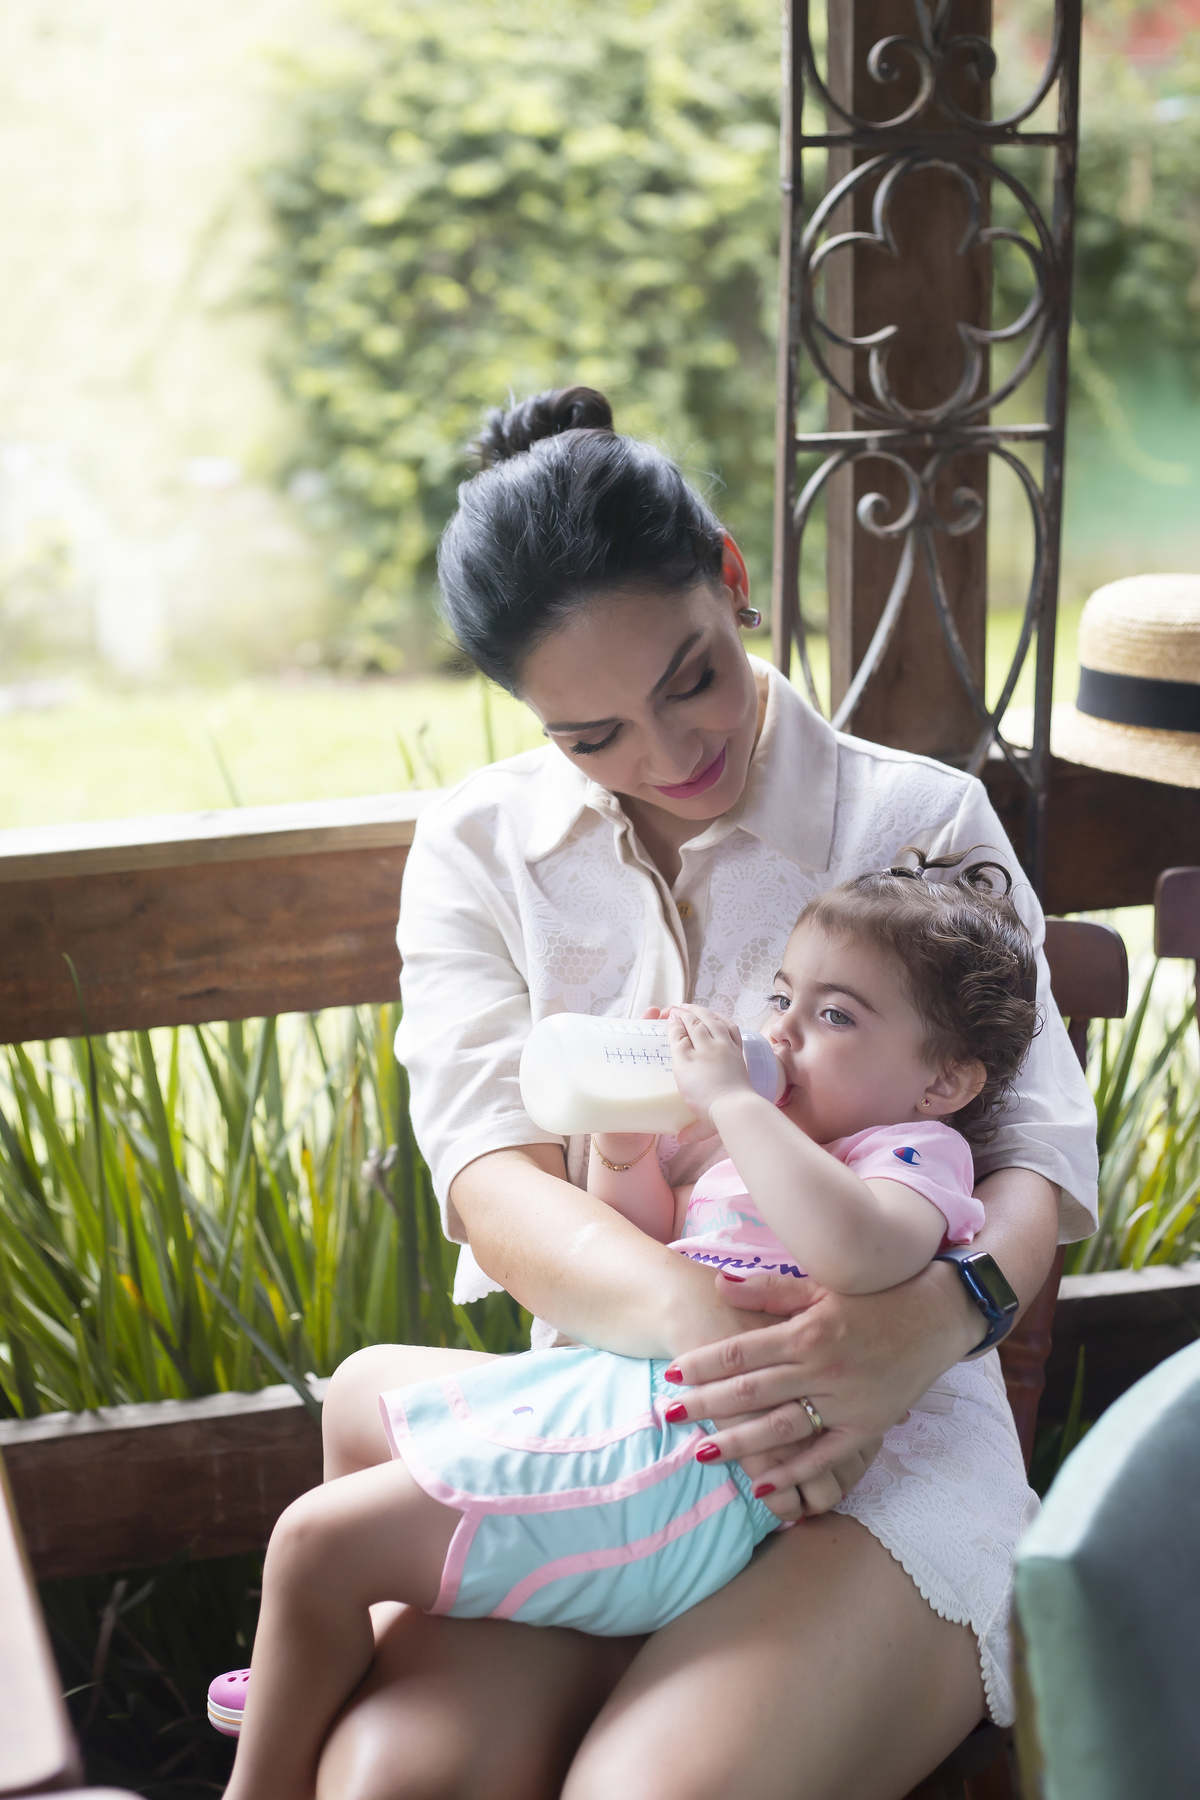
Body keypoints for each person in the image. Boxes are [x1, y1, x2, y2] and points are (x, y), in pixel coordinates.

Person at [225, 387, 1099, 1800]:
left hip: (880, 1449)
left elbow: (1038, 1164)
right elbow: (485, 1175)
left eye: (690, 677)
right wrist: (714, 1355)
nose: (669, 750)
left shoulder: (913, 819)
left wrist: (931, 1322)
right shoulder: (477, 849)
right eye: (595, 734)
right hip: (611, 1429)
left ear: (733, 578)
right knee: (395, 1784)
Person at [214, 856, 1042, 1800]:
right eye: (784, 995)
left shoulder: (909, 1157)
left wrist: (733, 1102)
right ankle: (330, 1654)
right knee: (362, 1387)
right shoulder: (761, 1142)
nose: (781, 1031)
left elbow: (859, 1251)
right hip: (635, 1385)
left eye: (836, 1016)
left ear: (942, 1084)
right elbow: (648, 1238)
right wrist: (626, 1148)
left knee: (313, 1544)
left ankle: (271, 1748)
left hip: (700, 1454)